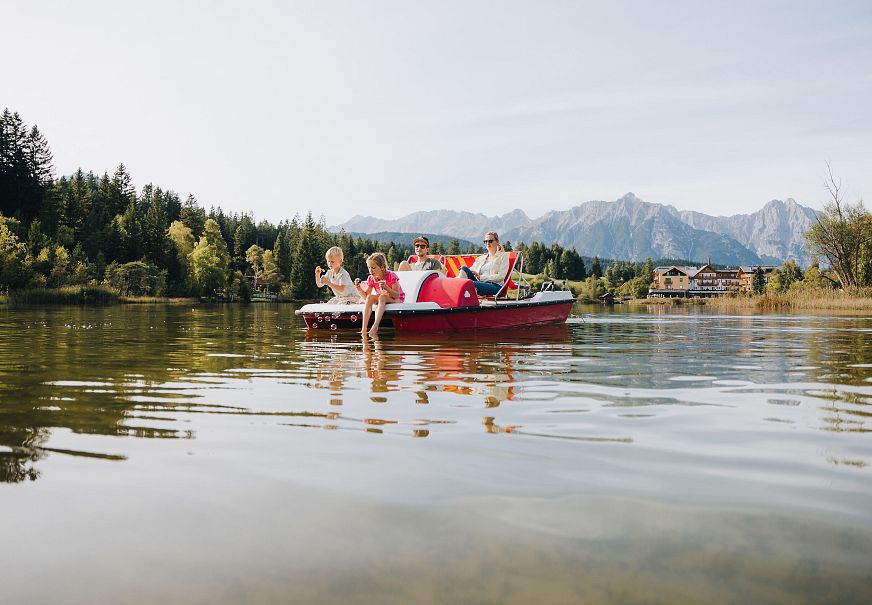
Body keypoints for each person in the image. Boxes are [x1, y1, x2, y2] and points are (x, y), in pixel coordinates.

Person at [354, 252, 405, 336]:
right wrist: (358, 288)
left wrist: (387, 288)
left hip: (396, 299)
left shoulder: (391, 276)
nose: (370, 270)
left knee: (382, 297)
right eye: (369, 267)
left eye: (373, 268)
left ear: (382, 267)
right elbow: (366, 296)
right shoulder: (371, 278)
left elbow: (397, 295)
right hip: (383, 298)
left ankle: (375, 326)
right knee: (370, 297)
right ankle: (364, 328)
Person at [458, 231, 509, 296]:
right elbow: (470, 271)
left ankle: (459, 295)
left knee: (470, 284)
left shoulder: (503, 256)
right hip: (480, 282)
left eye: (490, 241)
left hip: (495, 286)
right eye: (485, 241)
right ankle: (458, 287)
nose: (487, 243)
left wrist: (481, 277)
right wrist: (474, 274)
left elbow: (501, 276)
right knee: (464, 268)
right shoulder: (481, 258)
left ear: (497, 242)